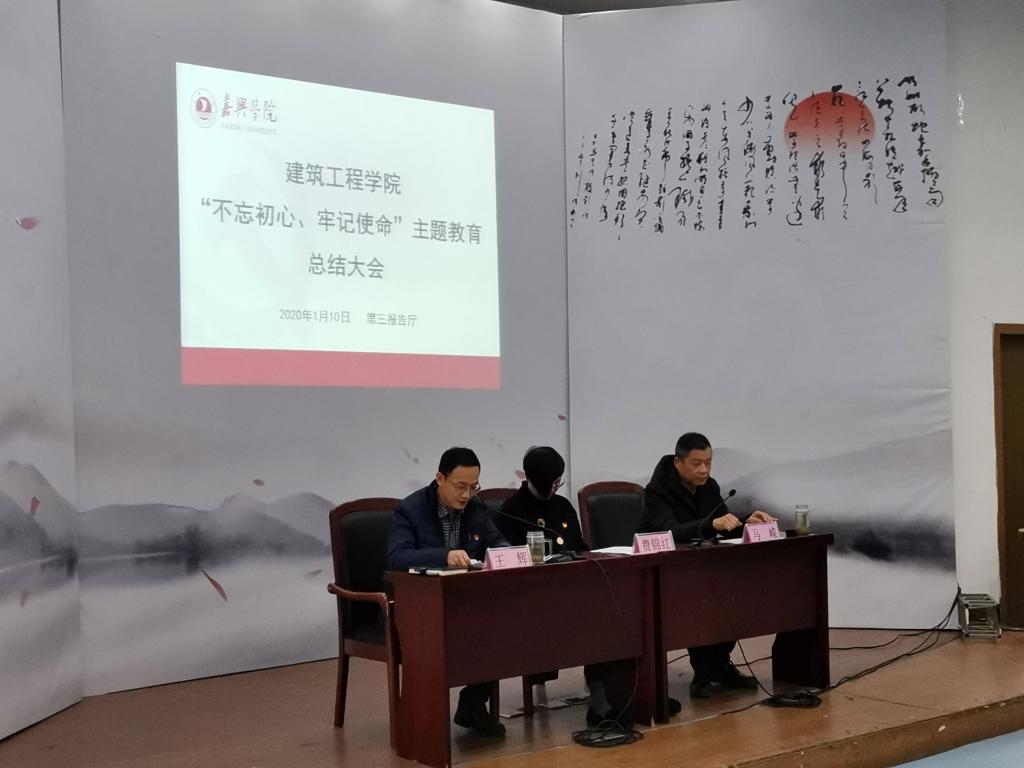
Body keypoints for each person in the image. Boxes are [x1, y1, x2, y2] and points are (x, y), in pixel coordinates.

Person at [496, 446, 632, 729]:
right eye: (552, 482)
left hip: (572, 591)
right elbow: (504, 559)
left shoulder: (563, 506)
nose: (555, 487)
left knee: (610, 613)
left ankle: (604, 697)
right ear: (532, 477)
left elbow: (580, 548)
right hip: (529, 598)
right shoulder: (511, 511)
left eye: (559, 481)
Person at [637, 432, 775, 699]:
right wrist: (711, 524)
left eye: (708, 463)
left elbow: (722, 524)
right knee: (698, 600)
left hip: (700, 567)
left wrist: (747, 522)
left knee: (732, 595)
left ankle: (718, 666)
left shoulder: (709, 487)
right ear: (678, 462)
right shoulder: (656, 491)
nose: (704, 470)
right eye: (697, 463)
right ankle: (704, 671)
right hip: (662, 571)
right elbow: (671, 531)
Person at [386, 446, 509, 737]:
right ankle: (424, 718)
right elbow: (397, 557)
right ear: (440, 478)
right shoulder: (411, 510)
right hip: (420, 608)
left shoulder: (476, 509)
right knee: (476, 629)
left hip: (465, 602)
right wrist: (445, 556)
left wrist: (506, 553)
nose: (466, 494)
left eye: (473, 487)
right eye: (460, 486)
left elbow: (496, 541)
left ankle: (472, 704)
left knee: (503, 625)